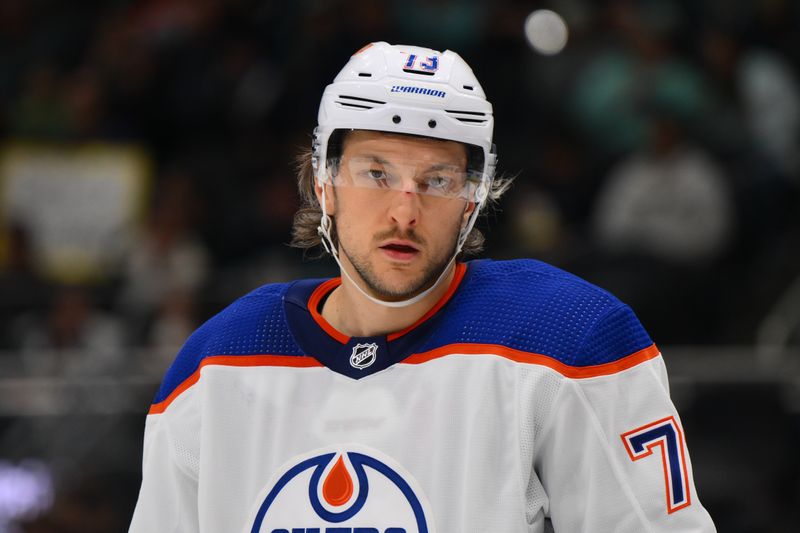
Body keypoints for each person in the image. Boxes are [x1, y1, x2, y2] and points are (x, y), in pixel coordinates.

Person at [129, 42, 716, 532]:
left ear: (471, 201)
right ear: (323, 183)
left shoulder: (566, 341)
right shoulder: (216, 365)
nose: (404, 212)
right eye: (376, 173)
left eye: (437, 180)